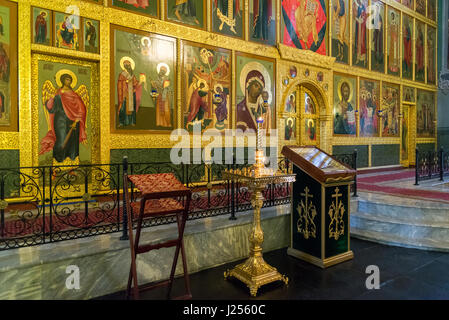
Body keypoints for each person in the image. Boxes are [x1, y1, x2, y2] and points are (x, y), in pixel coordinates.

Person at [39, 73, 87, 163]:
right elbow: (51, 108)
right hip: (60, 120)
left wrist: (78, 117)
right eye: (67, 79)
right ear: (62, 80)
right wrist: (52, 98)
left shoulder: (74, 94)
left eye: (70, 80)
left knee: (73, 142)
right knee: (61, 140)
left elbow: (81, 107)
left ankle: (72, 165)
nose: (68, 81)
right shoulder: (58, 92)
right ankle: (58, 163)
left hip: (73, 121)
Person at [117, 58, 143, 127]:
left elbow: (135, 83)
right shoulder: (122, 74)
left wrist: (140, 82)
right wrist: (125, 82)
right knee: (123, 108)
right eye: (126, 65)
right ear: (124, 66)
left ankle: (131, 122)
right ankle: (122, 122)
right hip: (125, 94)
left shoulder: (132, 75)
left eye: (129, 65)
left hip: (131, 94)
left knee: (132, 108)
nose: (128, 66)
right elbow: (120, 83)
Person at [353, 0, 367, 66]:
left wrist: (363, 19)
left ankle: (363, 58)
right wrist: (357, 19)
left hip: (363, 27)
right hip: (358, 26)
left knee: (362, 41)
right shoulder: (357, 6)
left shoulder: (363, 7)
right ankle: (358, 57)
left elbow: (365, 16)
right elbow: (355, 16)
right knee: (358, 41)